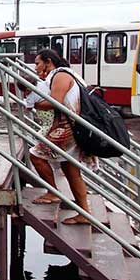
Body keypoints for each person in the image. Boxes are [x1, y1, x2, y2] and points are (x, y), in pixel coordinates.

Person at [28, 48, 94, 225]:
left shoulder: (60, 75)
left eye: (38, 63)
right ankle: (84, 212)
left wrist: (37, 105)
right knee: (71, 169)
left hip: (69, 126)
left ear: (48, 62)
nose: (36, 67)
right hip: (75, 125)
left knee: (36, 155)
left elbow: (54, 101)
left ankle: (52, 193)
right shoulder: (66, 74)